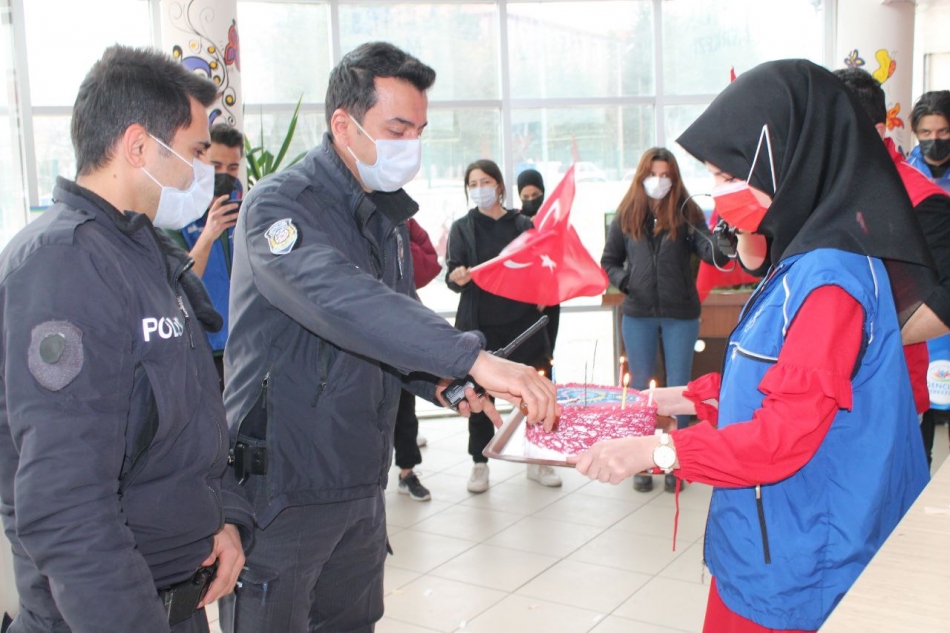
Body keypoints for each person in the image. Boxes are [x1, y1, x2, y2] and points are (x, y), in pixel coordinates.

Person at [571, 59, 932, 632]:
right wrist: (680, 398)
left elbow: (785, 434)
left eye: (726, 175)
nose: (718, 193)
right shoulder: (802, 258)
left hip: (805, 549)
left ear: (786, 164)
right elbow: (774, 377)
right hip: (770, 531)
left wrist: (659, 453)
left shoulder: (830, 281)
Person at [219, 42, 557, 632]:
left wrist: (447, 384)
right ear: (343, 124)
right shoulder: (280, 206)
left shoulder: (385, 218)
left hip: (357, 480)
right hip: (285, 485)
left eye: (419, 130)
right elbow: (346, 302)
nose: (411, 145)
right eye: (397, 128)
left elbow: (397, 321)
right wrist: (472, 357)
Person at [0, 45, 254, 632]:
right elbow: (64, 504)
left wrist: (228, 517)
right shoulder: (63, 267)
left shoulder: (145, 251)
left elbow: (190, 413)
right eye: (194, 153)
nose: (205, 172)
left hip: (175, 594)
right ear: (138, 146)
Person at [835, 68, 950, 468]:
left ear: (877, 129)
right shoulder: (824, 191)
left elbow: (946, 300)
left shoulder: (921, 200)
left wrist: (867, 339)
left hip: (891, 396)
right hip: (824, 395)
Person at [600, 147, 728, 493]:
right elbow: (609, 260)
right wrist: (627, 282)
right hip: (638, 313)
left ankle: (678, 462)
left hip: (680, 315)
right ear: (642, 176)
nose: (659, 181)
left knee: (681, 387)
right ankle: (640, 460)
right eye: (653, 174)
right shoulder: (627, 214)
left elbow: (710, 251)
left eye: (665, 174)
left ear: (674, 178)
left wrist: (726, 239)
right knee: (641, 388)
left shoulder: (687, 214)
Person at [447, 159, 563, 493]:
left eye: (485, 181)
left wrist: (543, 288)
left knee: (534, 392)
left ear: (499, 185)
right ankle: (480, 463)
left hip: (523, 324)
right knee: (480, 396)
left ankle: (538, 458)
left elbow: (541, 266)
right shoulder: (462, 227)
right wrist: (457, 277)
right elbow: (453, 273)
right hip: (481, 327)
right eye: (472, 184)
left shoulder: (522, 224)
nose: (479, 189)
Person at [168, 123, 243, 386]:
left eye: (232, 168)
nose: (224, 174)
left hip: (243, 344)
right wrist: (209, 232)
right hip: (200, 346)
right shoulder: (176, 214)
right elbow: (182, 281)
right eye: (216, 166)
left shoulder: (244, 208)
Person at [394, 218, 442, 501]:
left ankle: (407, 472)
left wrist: (397, 239)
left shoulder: (403, 219)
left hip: (402, 326)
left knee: (404, 408)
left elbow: (428, 266)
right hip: (357, 331)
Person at [516, 168, 560, 380]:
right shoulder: (515, 223)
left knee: (545, 355)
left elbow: (560, 260)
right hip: (523, 302)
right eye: (525, 197)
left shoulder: (554, 222)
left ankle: (545, 407)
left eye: (535, 196)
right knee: (523, 358)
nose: (531, 200)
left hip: (549, 301)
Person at [907, 90, 950, 193]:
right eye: (926, 132)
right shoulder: (905, 172)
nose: (934, 138)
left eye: (943, 131)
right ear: (915, 132)